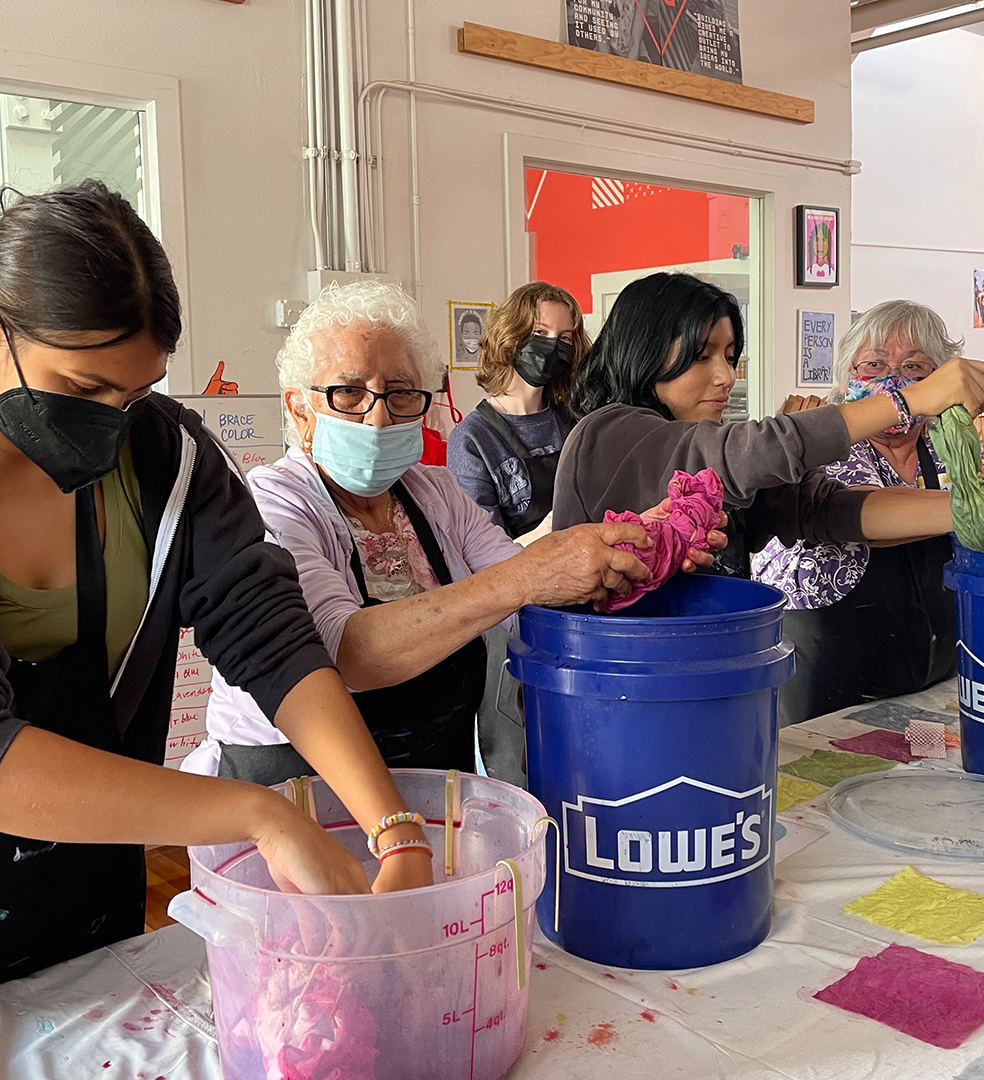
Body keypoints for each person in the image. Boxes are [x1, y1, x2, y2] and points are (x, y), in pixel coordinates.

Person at [0, 183, 436, 982]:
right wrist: (259, 814)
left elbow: (267, 634)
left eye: (137, 394)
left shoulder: (168, 458)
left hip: (87, 899)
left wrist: (394, 827)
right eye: (83, 390)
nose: (111, 423)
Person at [186, 281, 719, 785]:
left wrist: (639, 545)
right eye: (348, 393)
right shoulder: (274, 502)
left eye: (400, 393)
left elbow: (531, 598)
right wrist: (531, 575)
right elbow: (346, 653)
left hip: (437, 775)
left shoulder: (435, 493)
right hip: (294, 781)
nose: (377, 418)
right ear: (300, 410)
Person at [555, 273, 984, 583]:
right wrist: (908, 399)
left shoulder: (713, 458)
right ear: (642, 353)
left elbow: (827, 510)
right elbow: (748, 451)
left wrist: (976, 509)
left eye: (729, 356)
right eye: (702, 357)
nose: (725, 377)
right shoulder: (609, 434)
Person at [752, 301, 984, 726]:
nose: (892, 380)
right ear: (848, 375)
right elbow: (861, 513)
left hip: (931, 684)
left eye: (913, 367)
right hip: (825, 683)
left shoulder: (951, 449)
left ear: (939, 382)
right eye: (874, 365)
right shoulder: (824, 444)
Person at [447, 282, 587, 542]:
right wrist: (544, 534)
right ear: (511, 339)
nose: (552, 346)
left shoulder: (575, 420)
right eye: (540, 332)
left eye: (564, 338)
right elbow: (481, 550)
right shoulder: (472, 440)